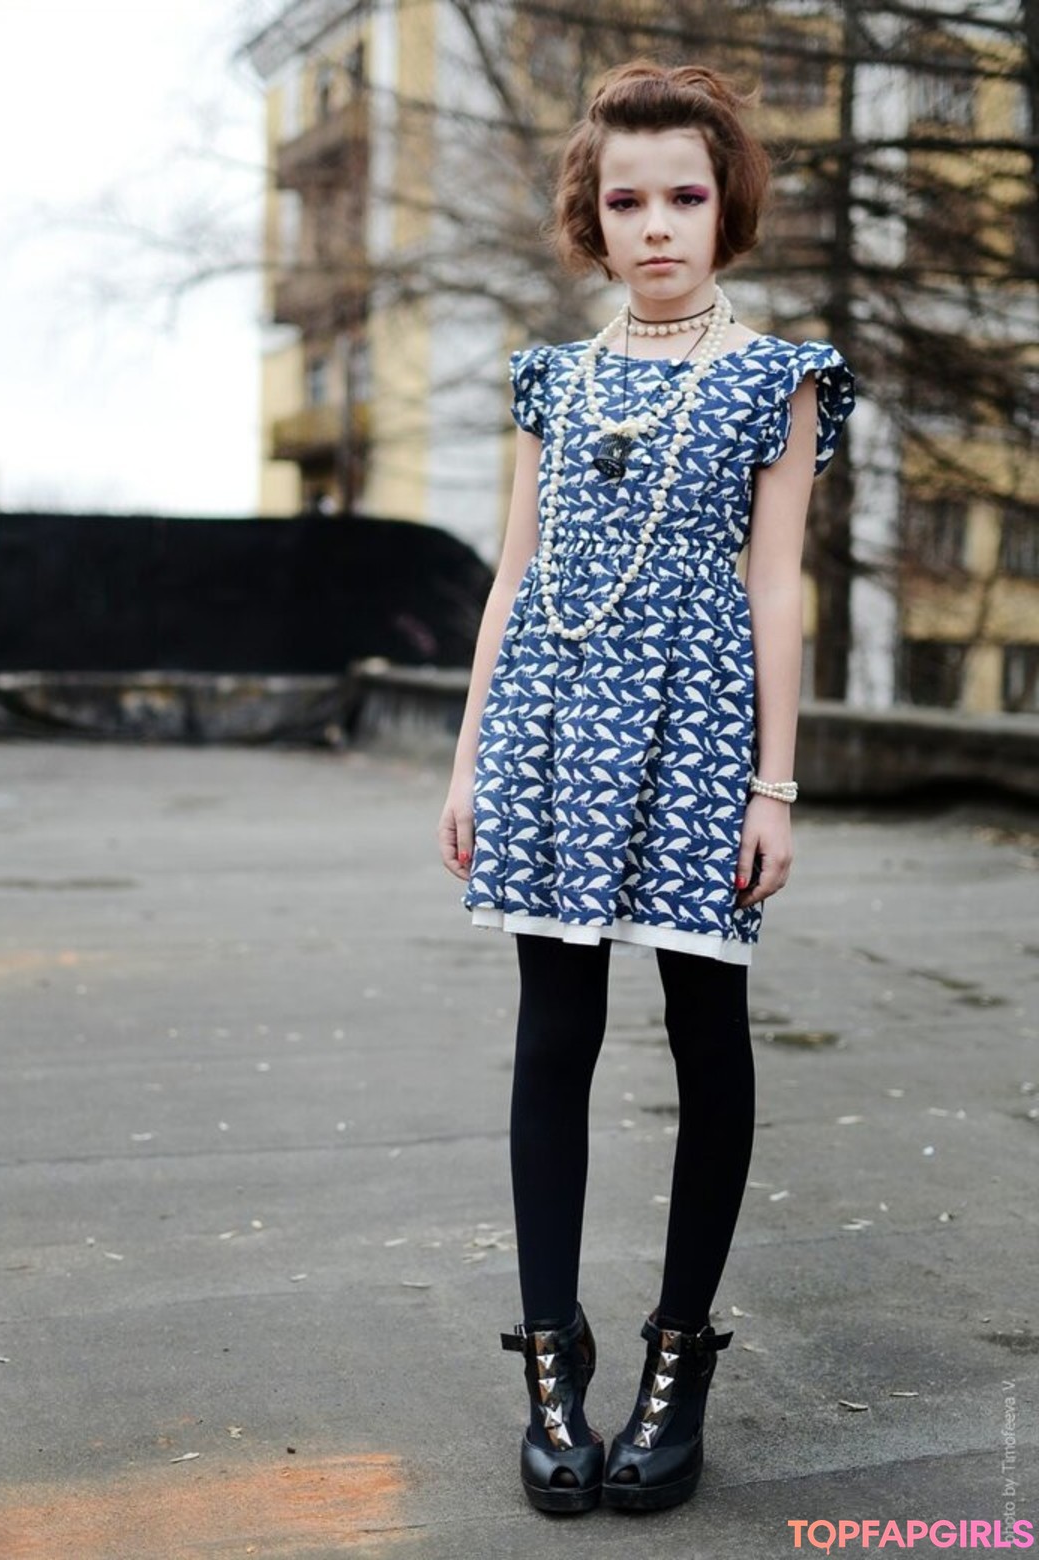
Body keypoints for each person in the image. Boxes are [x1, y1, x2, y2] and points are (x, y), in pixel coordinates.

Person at [437, 59, 855, 1516]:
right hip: (551, 724)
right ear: (593, 218)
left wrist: (774, 786)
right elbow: (512, 578)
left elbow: (778, 587)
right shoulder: (552, 381)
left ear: (726, 208)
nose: (658, 224)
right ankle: (552, 1357)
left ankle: (679, 1358)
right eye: (628, 201)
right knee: (552, 1031)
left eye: (685, 195)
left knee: (705, 1026)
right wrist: (468, 759)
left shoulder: (780, 376)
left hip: (697, 732)